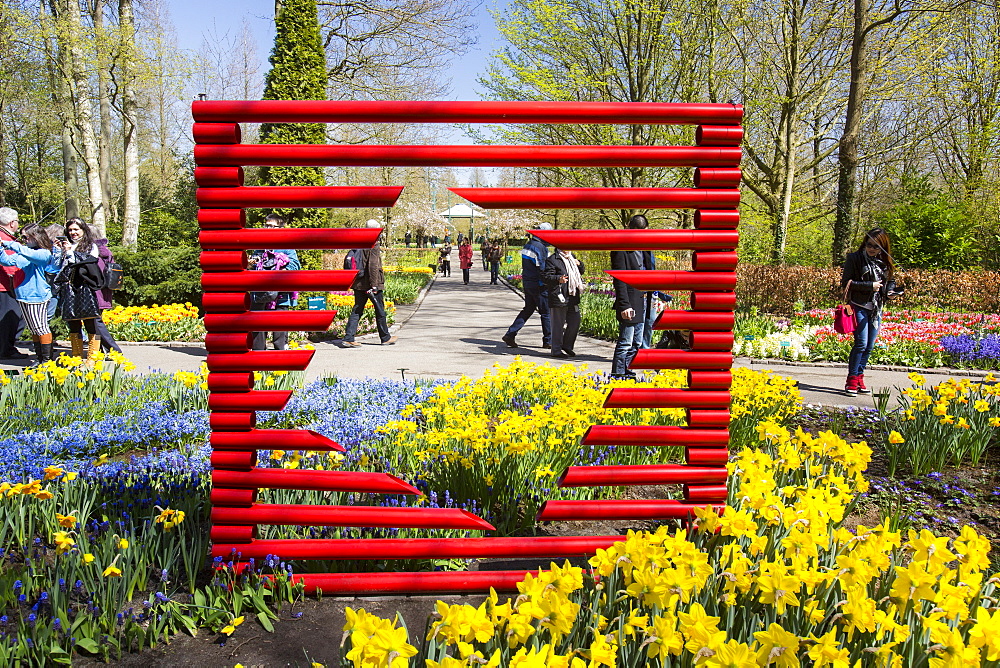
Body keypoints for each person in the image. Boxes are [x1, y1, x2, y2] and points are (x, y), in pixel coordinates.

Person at [841, 227, 901, 396]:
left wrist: (890, 292)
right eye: (869, 245)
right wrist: (870, 286)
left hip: (876, 309)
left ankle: (859, 377)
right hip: (858, 305)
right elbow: (846, 282)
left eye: (876, 246)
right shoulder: (855, 258)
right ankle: (851, 380)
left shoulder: (885, 261)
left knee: (869, 346)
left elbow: (890, 280)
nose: (872, 249)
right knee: (860, 343)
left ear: (883, 247)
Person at [0, 224, 57, 364]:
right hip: (23, 296)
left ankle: (47, 361)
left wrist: (8, 243)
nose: (24, 240)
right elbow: (7, 261)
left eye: (26, 237)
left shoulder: (43, 253)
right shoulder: (26, 252)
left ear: (35, 236)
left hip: (36, 296)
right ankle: (39, 358)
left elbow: (29, 254)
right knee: (34, 329)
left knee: (40, 327)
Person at [52, 218, 104, 363]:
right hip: (68, 289)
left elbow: (87, 265)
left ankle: (92, 358)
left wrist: (70, 253)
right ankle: (76, 356)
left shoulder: (90, 246)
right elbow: (57, 267)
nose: (73, 233)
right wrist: (57, 251)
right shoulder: (65, 245)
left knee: (90, 322)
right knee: (73, 322)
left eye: (76, 229)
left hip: (84, 288)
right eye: (70, 230)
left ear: (83, 230)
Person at [341, 220, 397, 347]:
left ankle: (348, 337)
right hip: (370, 284)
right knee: (380, 310)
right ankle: (385, 337)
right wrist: (374, 285)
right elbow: (372, 266)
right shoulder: (374, 243)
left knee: (357, 310)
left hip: (359, 283)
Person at [611, 215, 654, 377]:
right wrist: (624, 305)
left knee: (636, 343)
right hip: (630, 301)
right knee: (626, 342)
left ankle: (627, 373)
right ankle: (618, 376)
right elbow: (619, 280)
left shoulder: (645, 247)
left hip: (643, 299)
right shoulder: (621, 248)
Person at [250, 213, 301, 351]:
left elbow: (295, 266)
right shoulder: (260, 245)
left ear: (281, 228)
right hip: (261, 294)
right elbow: (254, 265)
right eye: (266, 225)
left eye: (272, 226)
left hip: (280, 296)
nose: (268, 228)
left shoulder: (286, 245)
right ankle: (259, 360)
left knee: (279, 333)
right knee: (258, 330)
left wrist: (278, 265)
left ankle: (280, 364)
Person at [502, 223, 552, 349]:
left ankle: (510, 334)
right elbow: (541, 267)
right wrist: (548, 281)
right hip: (538, 284)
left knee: (528, 309)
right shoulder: (539, 247)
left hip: (528, 283)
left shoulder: (528, 245)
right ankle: (548, 340)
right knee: (546, 313)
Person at [87, 223, 123, 354]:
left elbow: (96, 274)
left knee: (96, 322)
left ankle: (114, 350)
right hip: (102, 292)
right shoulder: (104, 251)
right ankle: (99, 350)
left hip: (97, 293)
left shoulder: (98, 253)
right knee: (93, 323)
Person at [544, 246, 584, 358]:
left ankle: (567, 345)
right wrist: (558, 278)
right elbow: (546, 277)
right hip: (559, 296)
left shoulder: (572, 257)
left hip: (572, 296)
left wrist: (579, 264)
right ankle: (556, 350)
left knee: (575, 321)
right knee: (558, 325)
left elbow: (581, 272)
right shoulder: (552, 259)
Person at [0, 207, 28, 359]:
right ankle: (6, 350)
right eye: (17, 222)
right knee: (10, 319)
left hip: (5, 285)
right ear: (12, 223)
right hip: (5, 286)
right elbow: (11, 265)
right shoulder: (5, 239)